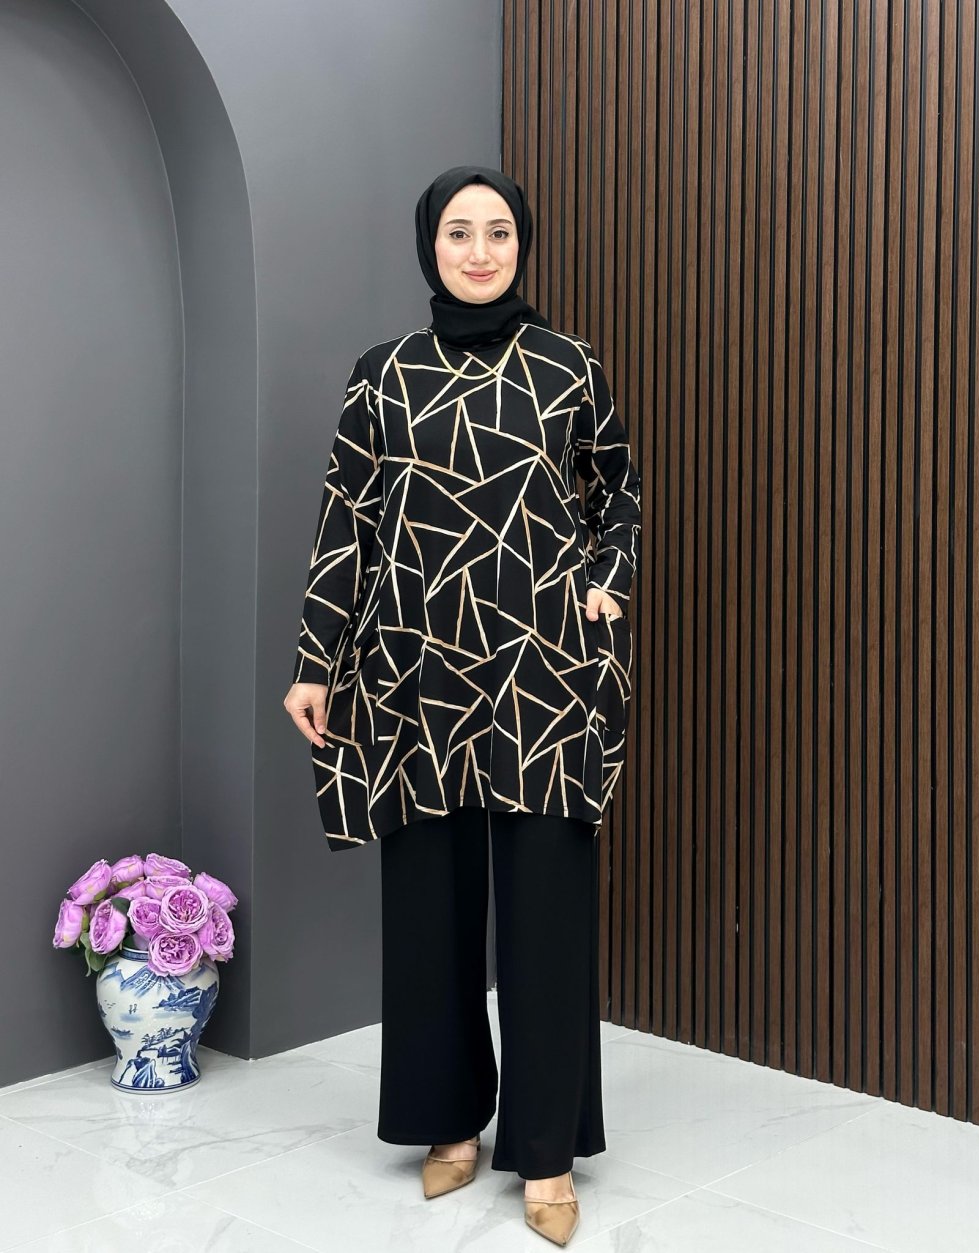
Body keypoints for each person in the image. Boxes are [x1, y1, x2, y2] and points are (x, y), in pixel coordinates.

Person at [283, 165, 641, 1247]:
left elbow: (618, 493)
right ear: (428, 247)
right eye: (457, 232)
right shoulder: (382, 374)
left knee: (546, 912)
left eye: (497, 232)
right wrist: (316, 658)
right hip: (413, 667)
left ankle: (547, 1146)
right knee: (428, 909)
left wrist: (607, 584)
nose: (479, 251)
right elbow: (346, 518)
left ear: (522, 244)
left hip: (541, 670)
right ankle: (446, 1120)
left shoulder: (569, 366)